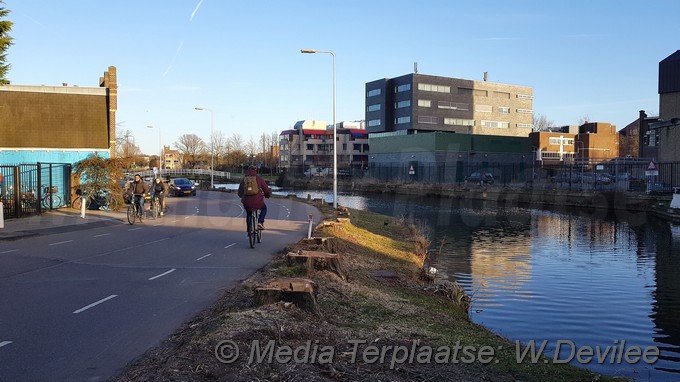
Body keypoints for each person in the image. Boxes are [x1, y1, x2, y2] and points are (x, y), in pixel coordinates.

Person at [237, 166, 272, 232]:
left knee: (249, 214)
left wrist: (243, 197)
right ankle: (260, 222)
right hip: (258, 201)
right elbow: (266, 189)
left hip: (247, 202)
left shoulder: (244, 179)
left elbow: (239, 193)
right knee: (264, 208)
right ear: (255, 171)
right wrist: (267, 195)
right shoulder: (259, 179)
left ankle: (249, 230)